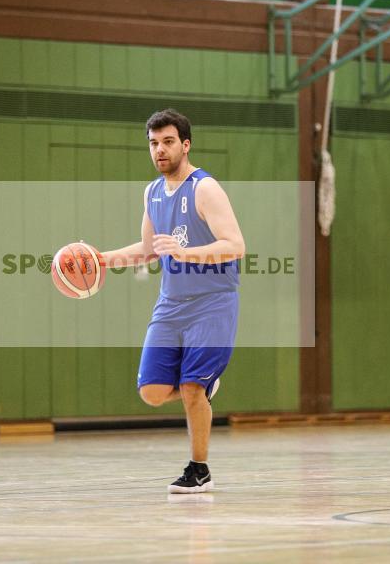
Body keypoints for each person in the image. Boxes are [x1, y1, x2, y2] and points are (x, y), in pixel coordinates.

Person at [102, 109, 244, 493]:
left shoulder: (205, 188)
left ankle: (199, 470)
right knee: (151, 392)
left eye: (167, 142)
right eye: (153, 143)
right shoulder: (151, 192)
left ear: (185, 144)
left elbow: (235, 246)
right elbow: (150, 249)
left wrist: (185, 253)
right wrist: (104, 259)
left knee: (192, 390)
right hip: (171, 304)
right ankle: (202, 384)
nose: (159, 150)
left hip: (212, 302)